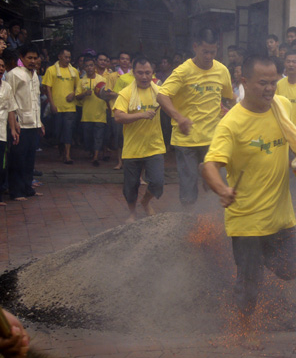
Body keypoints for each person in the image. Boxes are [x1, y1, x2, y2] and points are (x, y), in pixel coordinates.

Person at [202, 55, 296, 335]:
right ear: (244, 82)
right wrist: (222, 188)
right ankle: (243, 329)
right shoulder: (231, 123)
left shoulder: (280, 106)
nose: (270, 89)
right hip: (246, 221)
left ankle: (259, 261)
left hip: (281, 216)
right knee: (250, 282)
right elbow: (211, 164)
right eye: (263, 83)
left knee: (291, 270)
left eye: (274, 82)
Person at [158, 28, 233, 206]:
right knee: (189, 184)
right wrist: (179, 117)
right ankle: (188, 221)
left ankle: (213, 218)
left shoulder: (222, 71)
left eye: (212, 52)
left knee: (215, 182)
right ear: (195, 47)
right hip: (186, 139)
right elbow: (162, 96)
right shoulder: (183, 71)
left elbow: (227, 97)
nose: (208, 56)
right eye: (205, 51)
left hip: (212, 138)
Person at [114, 57, 165, 223]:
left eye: (148, 73)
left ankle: (145, 201)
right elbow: (118, 116)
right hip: (132, 148)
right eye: (140, 73)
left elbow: (173, 103)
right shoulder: (126, 92)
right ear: (133, 73)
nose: (144, 77)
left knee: (157, 182)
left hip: (154, 146)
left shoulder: (159, 91)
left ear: (153, 73)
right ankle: (132, 213)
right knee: (131, 186)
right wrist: (141, 115)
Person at [6, 44, 44, 201]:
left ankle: (28, 189)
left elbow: (36, 101)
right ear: (21, 58)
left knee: (30, 159)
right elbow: (10, 99)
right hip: (20, 124)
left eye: (35, 58)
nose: (33, 61)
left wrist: (40, 122)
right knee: (18, 159)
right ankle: (16, 191)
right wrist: (14, 123)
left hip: (33, 123)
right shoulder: (14, 74)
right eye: (29, 58)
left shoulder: (34, 75)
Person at [42, 48, 79, 164]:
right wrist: (52, 104)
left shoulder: (74, 71)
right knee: (57, 131)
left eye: (69, 57)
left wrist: (73, 93)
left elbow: (78, 87)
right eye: (66, 57)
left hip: (70, 107)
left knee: (68, 130)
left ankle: (67, 155)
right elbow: (48, 87)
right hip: (57, 106)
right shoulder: (51, 70)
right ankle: (61, 151)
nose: (68, 59)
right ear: (59, 57)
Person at [75, 57, 107, 166]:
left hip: (100, 113)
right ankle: (92, 152)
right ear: (84, 68)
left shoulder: (102, 80)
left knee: (98, 136)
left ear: (95, 66)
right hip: (87, 115)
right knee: (88, 137)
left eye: (91, 65)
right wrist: (84, 94)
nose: (89, 68)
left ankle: (96, 157)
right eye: (87, 66)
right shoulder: (81, 80)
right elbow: (77, 97)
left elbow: (107, 94)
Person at [0, 58, 20, 207]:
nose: (1, 68)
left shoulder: (6, 87)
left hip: (1, 132)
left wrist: (13, 129)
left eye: (2, 66)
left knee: (1, 164)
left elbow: (11, 110)